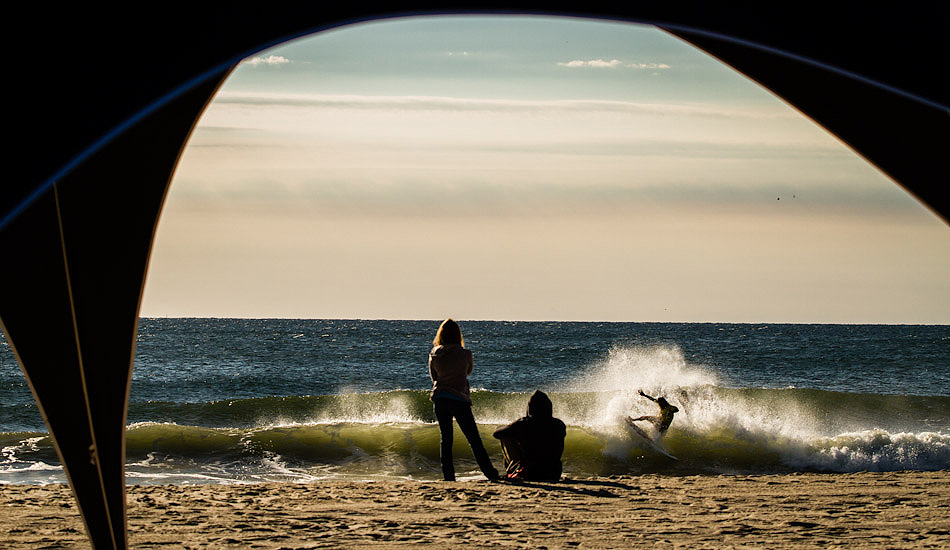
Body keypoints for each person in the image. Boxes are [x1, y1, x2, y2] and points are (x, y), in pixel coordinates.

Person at [428, 319, 499, 481]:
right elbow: (468, 372)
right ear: (458, 334)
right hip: (459, 398)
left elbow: (434, 377)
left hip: (440, 397)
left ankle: (449, 476)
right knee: (474, 439)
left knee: (446, 440)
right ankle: (490, 473)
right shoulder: (465, 354)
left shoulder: (434, 353)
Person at [492, 390, 566, 481]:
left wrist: (512, 428)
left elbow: (496, 434)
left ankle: (514, 470)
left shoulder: (524, 423)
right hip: (554, 473)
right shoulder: (559, 424)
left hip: (531, 473)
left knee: (506, 436)